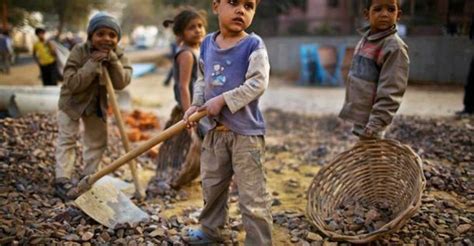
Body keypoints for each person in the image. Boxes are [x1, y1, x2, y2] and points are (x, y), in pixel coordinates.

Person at [183, 0, 272, 245]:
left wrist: (223, 99)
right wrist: (195, 104)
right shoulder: (207, 44)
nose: (241, 10)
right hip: (214, 132)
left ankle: (259, 241)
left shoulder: (253, 45)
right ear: (215, 6)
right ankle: (211, 231)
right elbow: (202, 79)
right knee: (212, 187)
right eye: (233, 3)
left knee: (252, 195)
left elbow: (258, 83)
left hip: (246, 134)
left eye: (249, 5)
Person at [54, 13, 132, 200]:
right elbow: (72, 83)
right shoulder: (79, 51)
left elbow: (122, 82)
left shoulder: (119, 54)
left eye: (112, 35)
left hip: (96, 104)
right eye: (100, 34)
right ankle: (62, 180)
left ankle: (89, 178)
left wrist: (113, 61)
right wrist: (92, 63)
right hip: (72, 102)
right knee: (67, 138)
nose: (106, 39)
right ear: (91, 36)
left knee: (97, 141)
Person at [150, 8, 207, 191]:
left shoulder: (198, 49)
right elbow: (183, 85)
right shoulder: (186, 54)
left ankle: (189, 174)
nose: (198, 30)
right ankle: (169, 178)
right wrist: (188, 113)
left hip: (200, 107)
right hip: (189, 108)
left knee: (193, 144)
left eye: (200, 26)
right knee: (180, 145)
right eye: (192, 27)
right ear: (182, 33)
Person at [339, 0, 409, 139]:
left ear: (398, 15)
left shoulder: (394, 47)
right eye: (378, 9)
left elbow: (392, 89)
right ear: (367, 14)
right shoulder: (367, 40)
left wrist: (376, 123)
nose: (384, 14)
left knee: (374, 154)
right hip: (362, 116)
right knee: (366, 155)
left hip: (373, 120)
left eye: (390, 9)